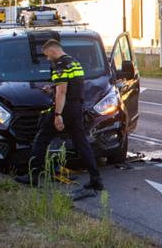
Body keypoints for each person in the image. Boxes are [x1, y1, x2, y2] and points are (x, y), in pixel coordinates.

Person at [15, 40, 104, 191]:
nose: (48, 59)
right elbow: (70, 87)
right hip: (76, 107)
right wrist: (52, 89)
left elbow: (62, 92)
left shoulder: (60, 66)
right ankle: (96, 178)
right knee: (81, 143)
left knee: (41, 139)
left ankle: (33, 176)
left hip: (65, 108)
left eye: (47, 55)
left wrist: (57, 114)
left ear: (52, 51)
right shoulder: (75, 63)